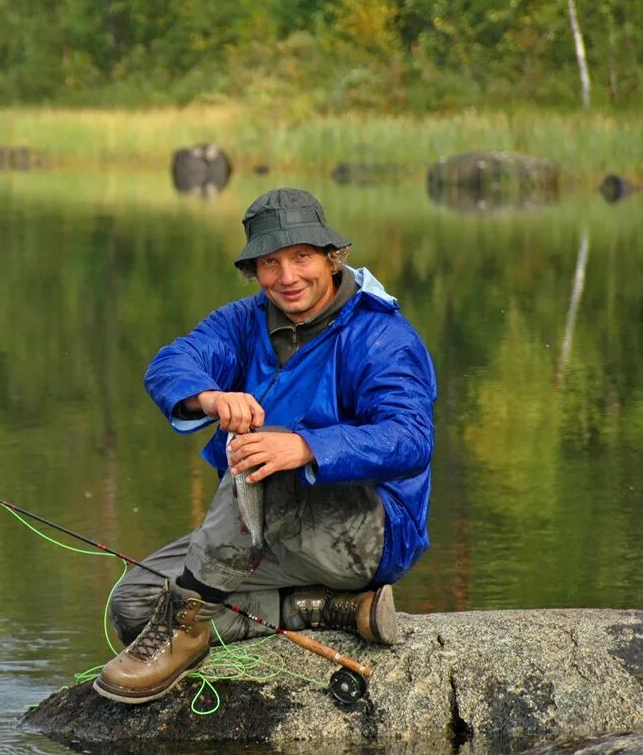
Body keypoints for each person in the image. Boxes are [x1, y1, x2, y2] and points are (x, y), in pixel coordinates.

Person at [94, 187, 437, 705]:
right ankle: (325, 610)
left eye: (302, 258)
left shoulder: (380, 335)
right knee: (136, 606)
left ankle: (187, 630)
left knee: (265, 450)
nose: (288, 277)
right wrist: (210, 398)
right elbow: (170, 364)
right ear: (255, 270)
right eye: (270, 263)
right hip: (260, 526)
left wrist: (306, 447)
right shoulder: (242, 321)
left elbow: (411, 438)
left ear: (332, 258)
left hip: (370, 533)